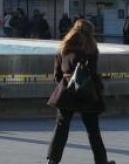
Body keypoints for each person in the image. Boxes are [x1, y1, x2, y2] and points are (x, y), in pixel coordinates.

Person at [45, 19, 114, 164]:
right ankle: (102, 161)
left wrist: (66, 84)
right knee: (93, 131)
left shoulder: (63, 48)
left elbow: (57, 75)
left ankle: (52, 160)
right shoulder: (91, 49)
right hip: (87, 93)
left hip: (66, 92)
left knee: (61, 128)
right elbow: (92, 73)